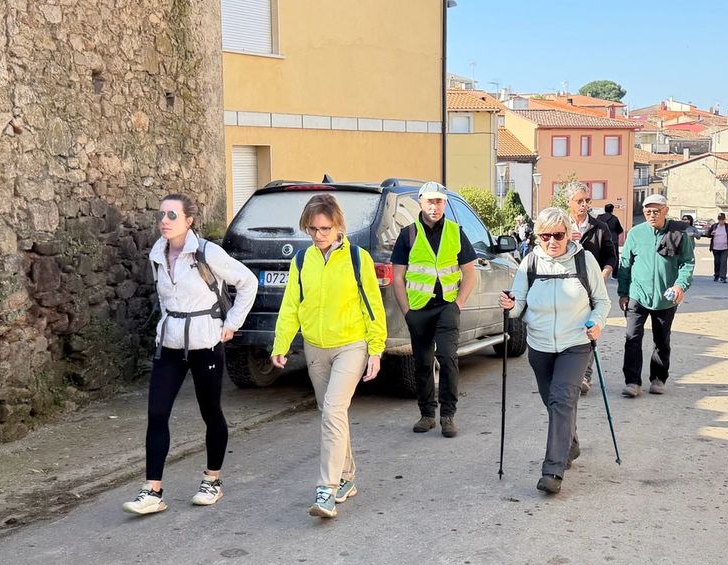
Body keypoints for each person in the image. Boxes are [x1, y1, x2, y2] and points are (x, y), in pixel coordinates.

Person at [123, 194, 258, 516]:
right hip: (169, 345)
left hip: (205, 342)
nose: (164, 220)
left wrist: (231, 324)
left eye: (172, 214)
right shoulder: (157, 254)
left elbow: (247, 282)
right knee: (157, 413)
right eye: (161, 215)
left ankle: (212, 480)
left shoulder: (207, 252)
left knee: (210, 412)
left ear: (189, 220)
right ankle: (152, 489)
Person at [270, 194, 387, 519]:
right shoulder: (301, 260)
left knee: (333, 410)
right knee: (331, 413)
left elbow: (372, 306)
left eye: (325, 228)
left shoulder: (357, 258)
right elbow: (292, 304)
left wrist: (376, 349)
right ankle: (347, 477)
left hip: (351, 345)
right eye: (312, 229)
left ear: (338, 226)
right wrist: (281, 343)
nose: (319, 235)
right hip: (315, 347)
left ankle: (326, 489)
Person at [498, 206, 610, 496]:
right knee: (554, 403)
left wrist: (596, 323)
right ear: (537, 236)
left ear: (568, 234)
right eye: (545, 235)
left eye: (557, 235)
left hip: (575, 344)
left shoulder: (585, 261)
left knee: (562, 399)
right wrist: (511, 307)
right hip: (540, 346)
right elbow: (519, 304)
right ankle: (570, 444)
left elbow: (602, 301)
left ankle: (552, 471)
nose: (551, 241)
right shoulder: (531, 263)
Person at [390, 181, 477, 438]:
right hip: (418, 309)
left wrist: (458, 304)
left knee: (448, 359)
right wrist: (406, 311)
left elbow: (469, 273)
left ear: (445, 204)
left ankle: (448, 415)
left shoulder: (455, 231)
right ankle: (427, 414)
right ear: (420, 202)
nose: (434, 206)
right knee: (422, 363)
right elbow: (397, 277)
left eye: (439, 201)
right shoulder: (408, 234)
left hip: (447, 307)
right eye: (430, 201)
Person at [617, 194, 694, 397]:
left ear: (666, 211)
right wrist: (623, 293)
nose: (651, 215)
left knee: (661, 340)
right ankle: (632, 382)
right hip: (637, 295)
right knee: (632, 338)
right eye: (647, 211)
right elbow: (625, 265)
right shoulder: (635, 234)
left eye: (656, 211)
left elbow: (687, 262)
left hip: (665, 298)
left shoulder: (678, 234)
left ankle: (658, 378)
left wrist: (680, 286)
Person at [565, 183, 618, 394]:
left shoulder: (599, 227)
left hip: (590, 288)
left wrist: (604, 275)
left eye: (587, 201)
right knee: (568, 329)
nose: (584, 205)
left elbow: (611, 256)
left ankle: (584, 376)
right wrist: (567, 239)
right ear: (569, 202)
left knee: (588, 329)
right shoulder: (560, 226)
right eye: (579, 201)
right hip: (565, 286)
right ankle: (568, 374)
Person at [706, 213, 728, 283]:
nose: (721, 221)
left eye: (722, 220)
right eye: (720, 220)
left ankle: (723, 277)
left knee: (723, 262)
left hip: (725, 247)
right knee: (717, 262)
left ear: (725, 219)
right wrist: (711, 234)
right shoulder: (714, 226)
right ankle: (716, 275)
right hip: (715, 247)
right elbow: (707, 234)